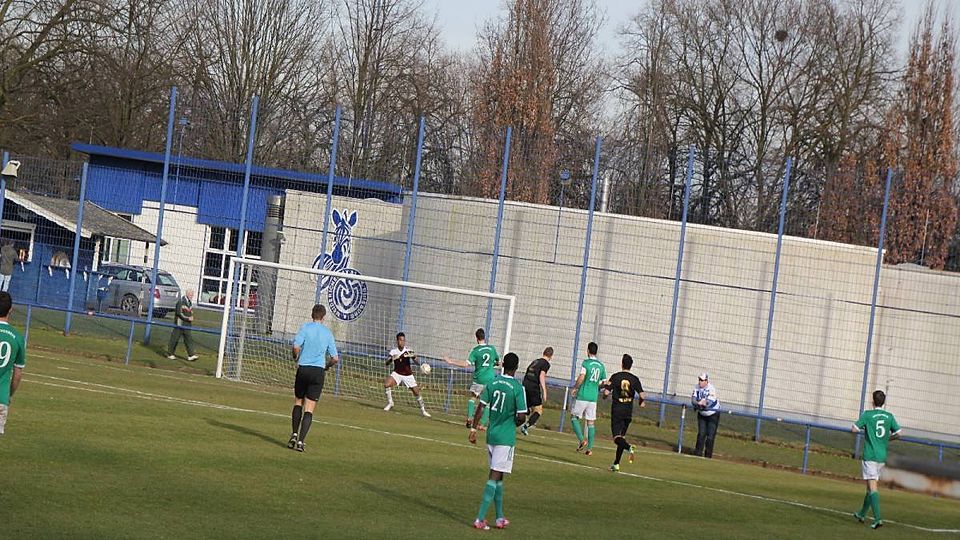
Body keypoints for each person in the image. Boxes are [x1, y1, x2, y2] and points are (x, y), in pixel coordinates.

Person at [468, 352, 527, 530]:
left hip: (492, 435)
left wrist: (473, 429)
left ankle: (500, 517)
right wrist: (513, 423)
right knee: (494, 475)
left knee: (499, 476)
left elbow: (481, 407)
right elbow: (522, 416)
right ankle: (479, 519)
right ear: (516, 368)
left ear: (502, 365)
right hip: (505, 438)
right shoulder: (517, 388)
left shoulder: (492, 383)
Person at [288, 304, 340, 452]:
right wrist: (327, 366)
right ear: (324, 317)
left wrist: (295, 357)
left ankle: (294, 434)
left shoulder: (305, 328)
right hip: (318, 371)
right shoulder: (327, 333)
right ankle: (301, 442)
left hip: (304, 368)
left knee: (298, 402)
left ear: (312, 315)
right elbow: (335, 358)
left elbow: (296, 347)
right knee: (309, 409)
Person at [851, 390, 901, 529]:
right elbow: (899, 433)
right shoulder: (889, 416)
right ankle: (862, 514)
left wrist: (865, 430)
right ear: (883, 402)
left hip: (870, 455)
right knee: (869, 486)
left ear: (873, 401)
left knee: (872, 487)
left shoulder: (868, 415)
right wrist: (887, 439)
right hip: (881, 456)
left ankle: (878, 519)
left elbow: (854, 429)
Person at [446, 328, 500, 429]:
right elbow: (498, 362)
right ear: (484, 337)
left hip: (479, 379)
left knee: (473, 398)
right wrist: (492, 364)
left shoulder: (475, 351)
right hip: (490, 379)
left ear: (477, 338)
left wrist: (451, 361)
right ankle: (482, 424)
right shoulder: (492, 349)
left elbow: (466, 364)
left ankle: (469, 418)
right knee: (488, 402)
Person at [601, 353, 646, 472]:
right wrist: (641, 402)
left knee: (616, 438)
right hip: (628, 411)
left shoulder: (616, 377)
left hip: (617, 410)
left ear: (622, 364)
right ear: (631, 365)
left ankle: (629, 447)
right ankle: (616, 464)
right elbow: (642, 395)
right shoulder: (635, 379)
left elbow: (606, 392)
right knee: (622, 437)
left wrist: (604, 396)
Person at [569, 342, 605, 456]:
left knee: (574, 417)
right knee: (591, 422)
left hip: (583, 395)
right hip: (593, 398)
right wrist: (595, 387)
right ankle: (589, 449)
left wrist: (575, 387)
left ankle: (581, 440)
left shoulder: (586, 363)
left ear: (588, 351)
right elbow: (602, 383)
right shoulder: (601, 366)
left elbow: (581, 377)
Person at [383, 332, 431, 417]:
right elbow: (386, 363)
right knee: (387, 384)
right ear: (397, 341)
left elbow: (416, 361)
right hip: (397, 373)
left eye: (404, 340)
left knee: (416, 392)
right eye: (401, 340)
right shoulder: (393, 351)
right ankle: (390, 403)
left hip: (408, 375)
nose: (402, 342)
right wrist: (392, 359)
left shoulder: (408, 350)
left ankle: (423, 410)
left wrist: (414, 357)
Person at [0, 292, 26, 436]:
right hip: (1, 397)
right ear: (10, 310)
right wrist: (9, 395)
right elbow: (17, 374)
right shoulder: (17, 337)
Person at [519, 347, 552, 436]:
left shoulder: (535, 361)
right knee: (538, 410)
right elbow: (541, 376)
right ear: (551, 356)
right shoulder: (546, 364)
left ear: (543, 352)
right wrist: (544, 390)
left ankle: (512, 420)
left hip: (525, 384)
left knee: (527, 408)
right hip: (533, 386)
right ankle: (525, 426)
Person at [692, 372, 720, 458]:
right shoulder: (696, 387)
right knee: (701, 434)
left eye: (702, 380)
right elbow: (693, 400)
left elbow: (709, 402)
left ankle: (708, 456)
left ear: (706, 381)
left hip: (713, 414)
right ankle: (697, 454)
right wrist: (698, 403)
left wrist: (702, 403)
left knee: (710, 436)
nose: (700, 382)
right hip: (702, 414)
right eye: (699, 380)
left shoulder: (711, 389)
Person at [166, 289, 198, 361]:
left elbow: (190, 311)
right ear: (187, 294)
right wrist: (187, 318)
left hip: (187, 324)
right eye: (191, 295)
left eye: (192, 295)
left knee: (188, 339)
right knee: (175, 339)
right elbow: (179, 313)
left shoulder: (190, 303)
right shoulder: (181, 302)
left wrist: (191, 316)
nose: (192, 296)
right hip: (179, 324)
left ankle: (191, 355)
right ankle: (170, 354)